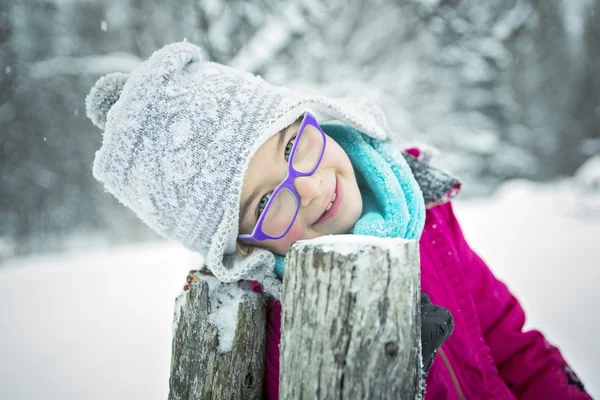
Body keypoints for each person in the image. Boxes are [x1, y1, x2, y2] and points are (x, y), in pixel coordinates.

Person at [85, 42, 591, 399]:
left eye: (292, 144)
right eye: (264, 204)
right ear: (241, 250)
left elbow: (514, 348)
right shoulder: (274, 338)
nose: (307, 186)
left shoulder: (426, 213)